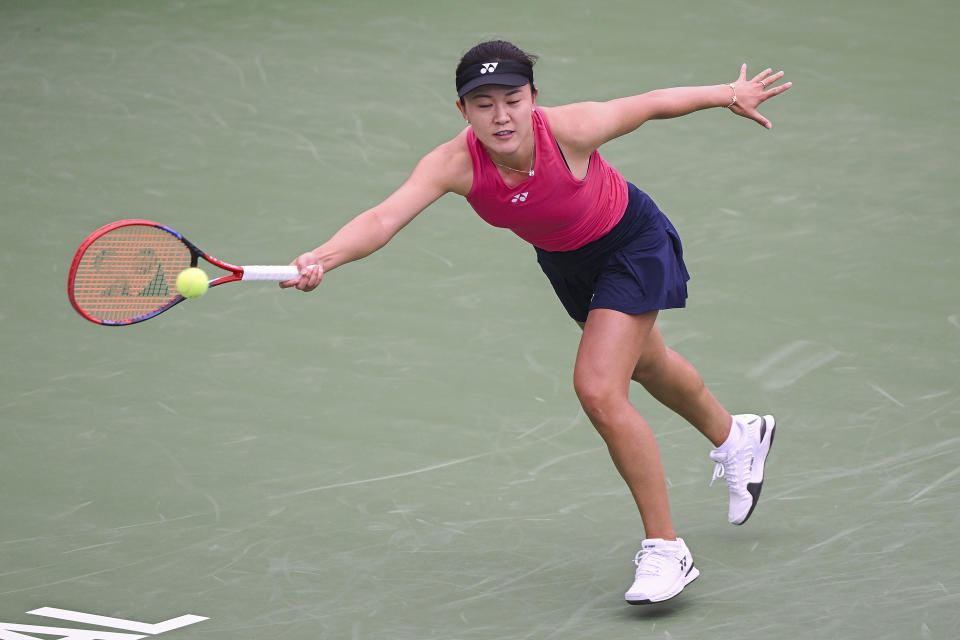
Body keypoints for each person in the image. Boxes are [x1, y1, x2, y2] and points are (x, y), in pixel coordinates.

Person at [281, 40, 790, 605]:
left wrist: (729, 95)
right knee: (649, 365)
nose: (500, 115)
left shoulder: (570, 129)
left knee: (599, 389)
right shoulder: (453, 164)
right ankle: (738, 435)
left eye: (512, 99)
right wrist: (323, 257)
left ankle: (667, 548)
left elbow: (652, 102)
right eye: (483, 103)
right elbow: (383, 216)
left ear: (532, 99)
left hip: (632, 244)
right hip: (569, 265)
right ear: (462, 111)